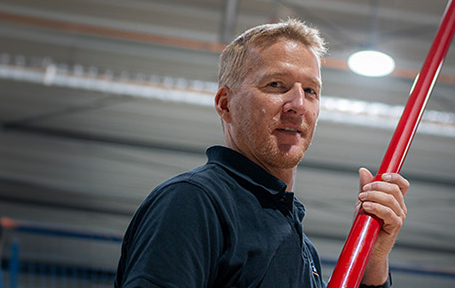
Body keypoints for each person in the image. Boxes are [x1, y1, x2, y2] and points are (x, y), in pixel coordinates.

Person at [116, 19, 411, 288]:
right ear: (225, 104)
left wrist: (372, 260)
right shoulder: (194, 202)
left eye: (310, 90)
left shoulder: (302, 249)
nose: (298, 103)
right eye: (275, 85)